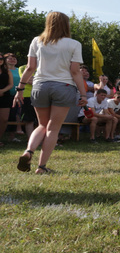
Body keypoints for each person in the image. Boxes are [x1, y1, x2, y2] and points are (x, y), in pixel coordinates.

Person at [13, 12, 88, 174]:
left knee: (41, 125)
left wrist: (20, 89)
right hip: (63, 87)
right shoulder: (74, 44)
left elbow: (30, 68)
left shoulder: (37, 41)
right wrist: (83, 94)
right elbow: (75, 71)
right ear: (66, 25)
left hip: (40, 86)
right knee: (53, 128)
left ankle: (28, 152)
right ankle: (41, 167)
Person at [0, 54, 13, 146]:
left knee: (4, 119)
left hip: (5, 96)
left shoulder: (7, 71)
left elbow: (10, 84)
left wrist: (2, 91)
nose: (0, 60)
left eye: (2, 58)